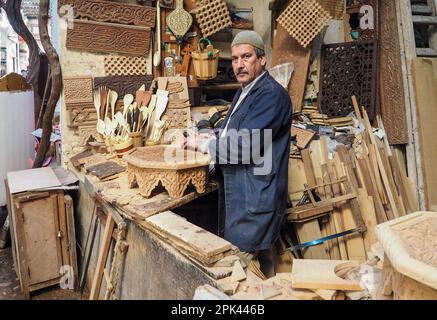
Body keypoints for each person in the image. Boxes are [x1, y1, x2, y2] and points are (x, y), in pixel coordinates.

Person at [183, 31, 292, 277]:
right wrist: (210, 136)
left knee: (243, 269)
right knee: (251, 265)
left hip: (255, 195)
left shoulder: (271, 95)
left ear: (262, 60)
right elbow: (236, 129)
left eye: (246, 57)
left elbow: (247, 145)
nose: (239, 65)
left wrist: (204, 147)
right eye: (234, 59)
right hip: (242, 189)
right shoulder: (245, 91)